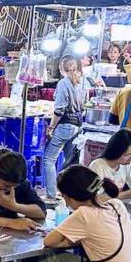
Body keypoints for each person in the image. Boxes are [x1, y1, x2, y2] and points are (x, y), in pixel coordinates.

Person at [42, 57, 87, 200]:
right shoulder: (82, 81)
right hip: (77, 125)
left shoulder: (63, 83)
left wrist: (51, 126)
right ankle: (69, 193)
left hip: (65, 125)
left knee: (48, 160)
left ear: (62, 68)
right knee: (70, 162)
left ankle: (51, 195)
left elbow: (59, 110)